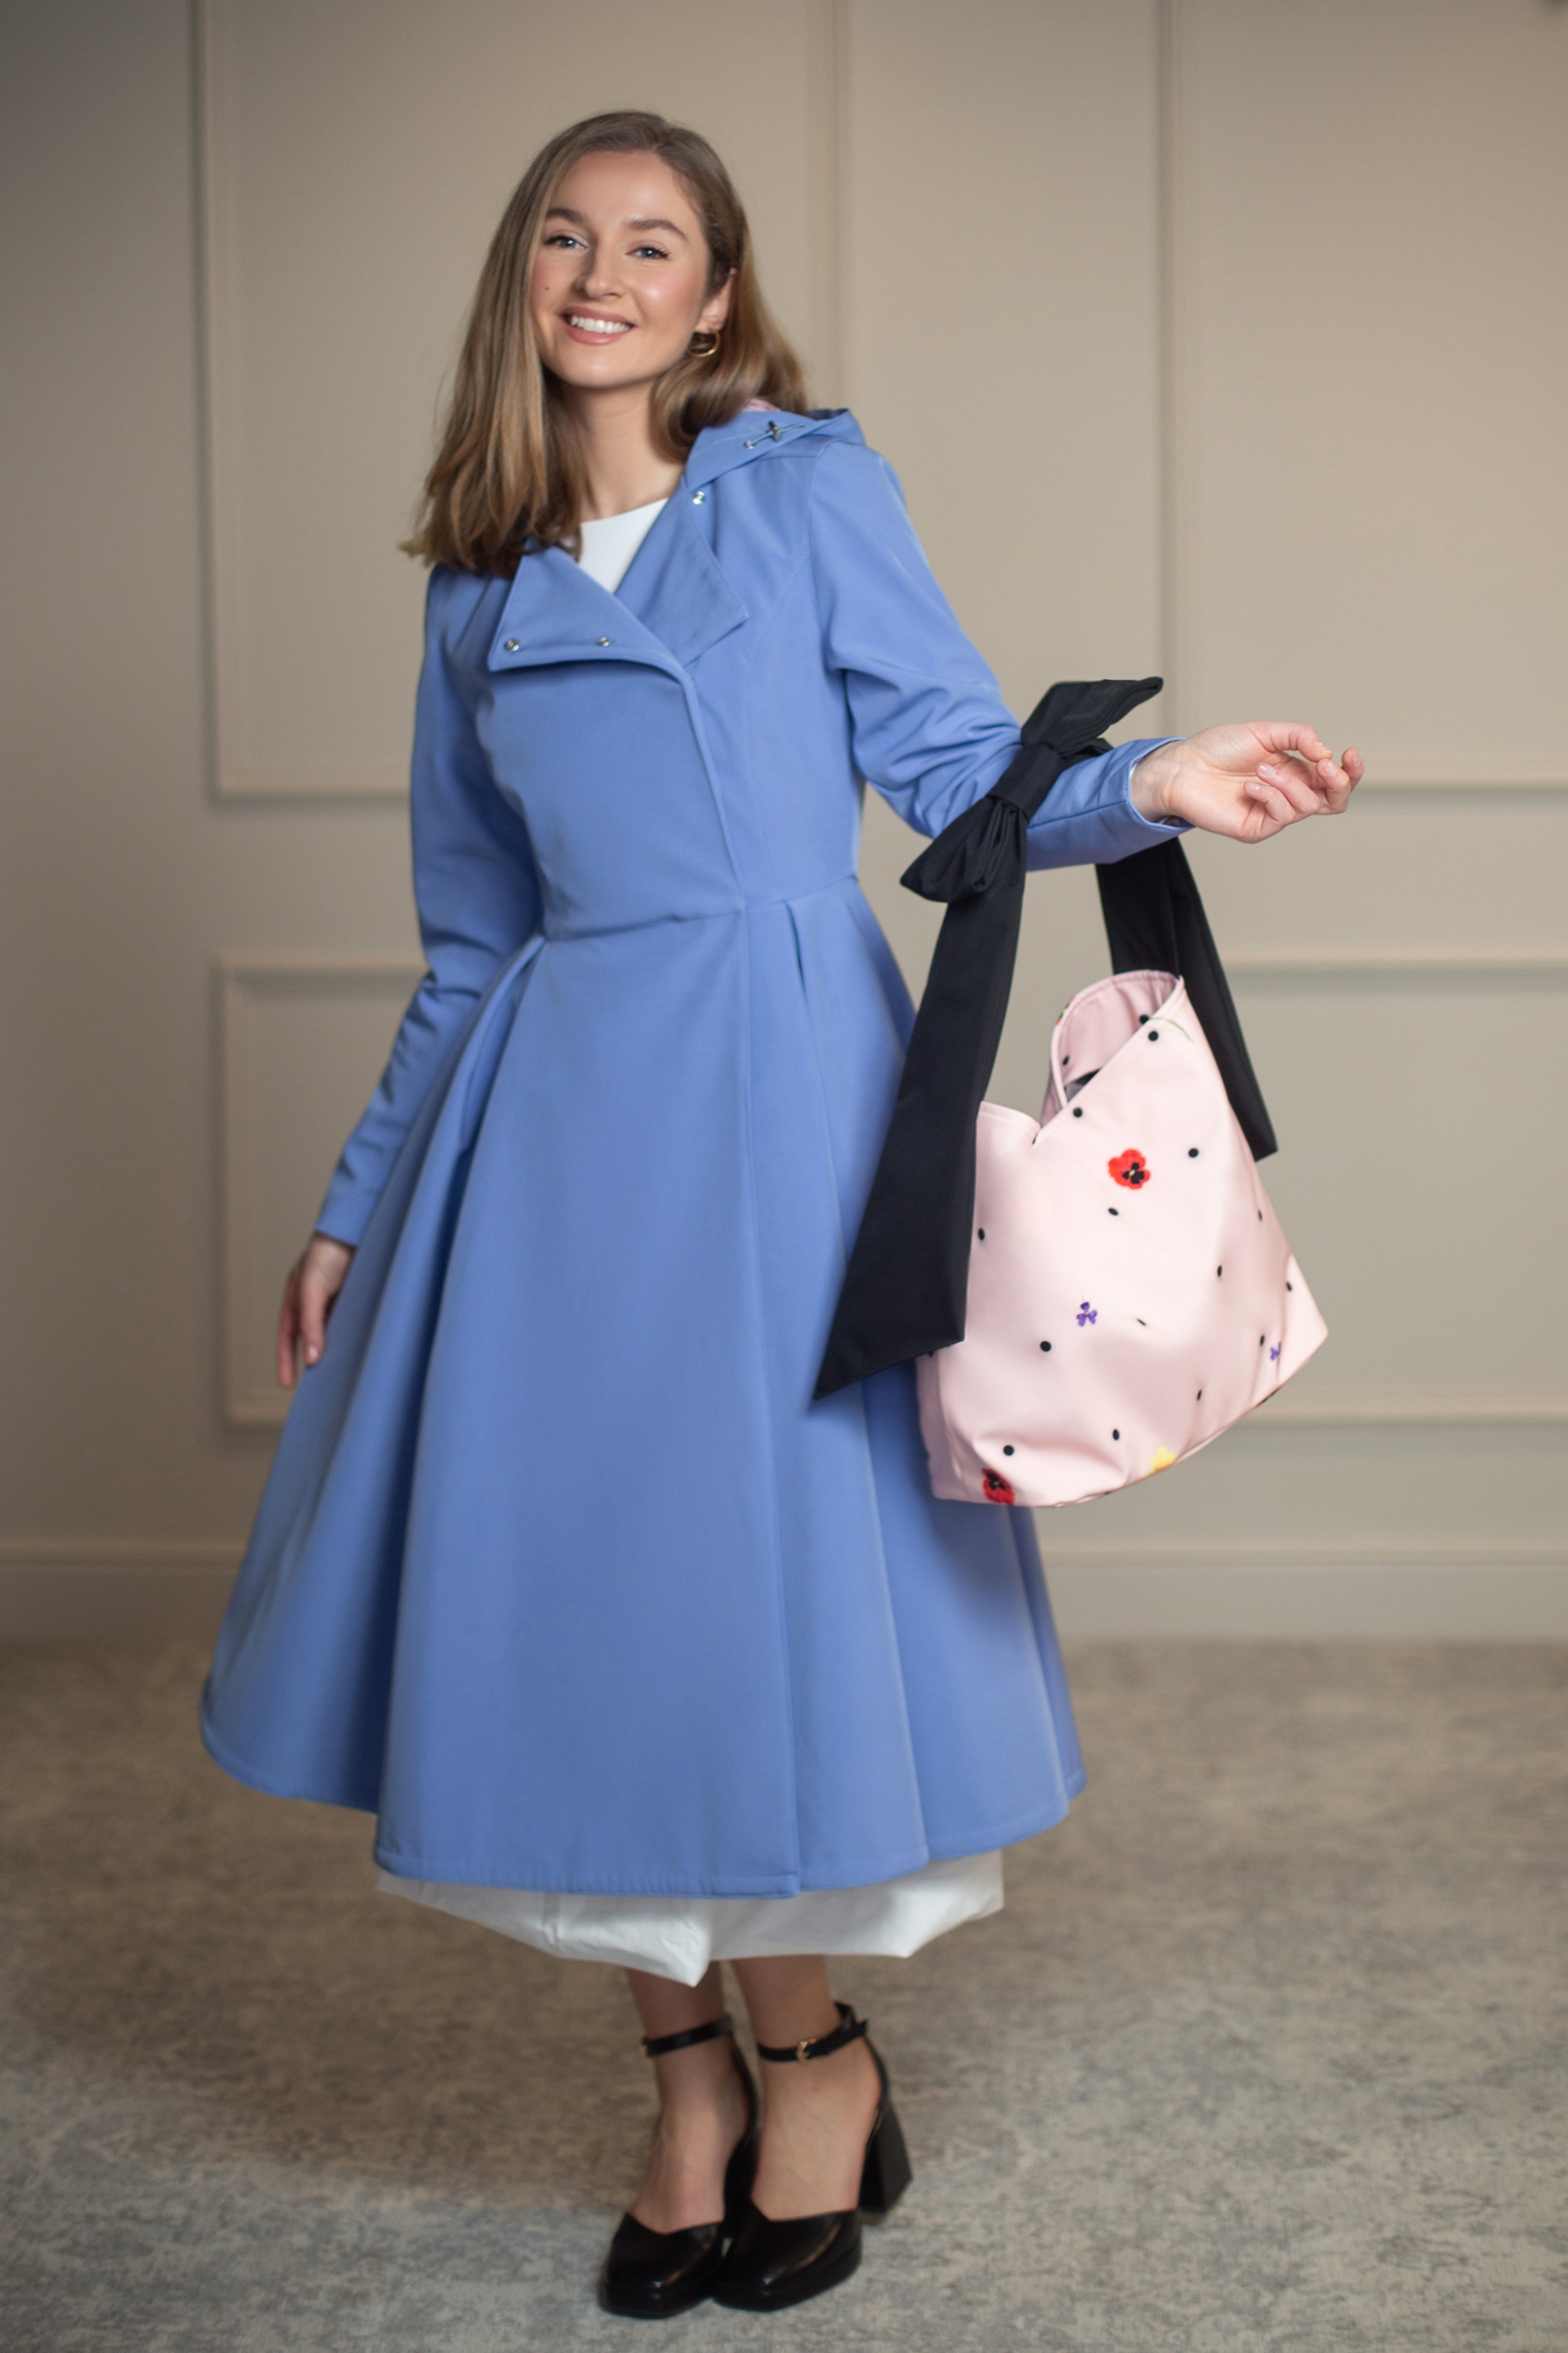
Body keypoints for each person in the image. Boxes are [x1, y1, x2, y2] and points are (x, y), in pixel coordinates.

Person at [200, 110, 1361, 2318]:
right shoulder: (478, 582)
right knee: (568, 1603)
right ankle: (685, 2084)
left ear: (719, 294)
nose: (605, 274)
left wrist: (1157, 782)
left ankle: (814, 2050)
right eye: (566, 235)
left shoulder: (809, 488)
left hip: (786, 1107)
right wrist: (360, 1203)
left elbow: (945, 769)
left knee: (763, 1601)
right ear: (521, 279)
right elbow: (464, 935)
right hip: (549, 1141)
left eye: (654, 244)